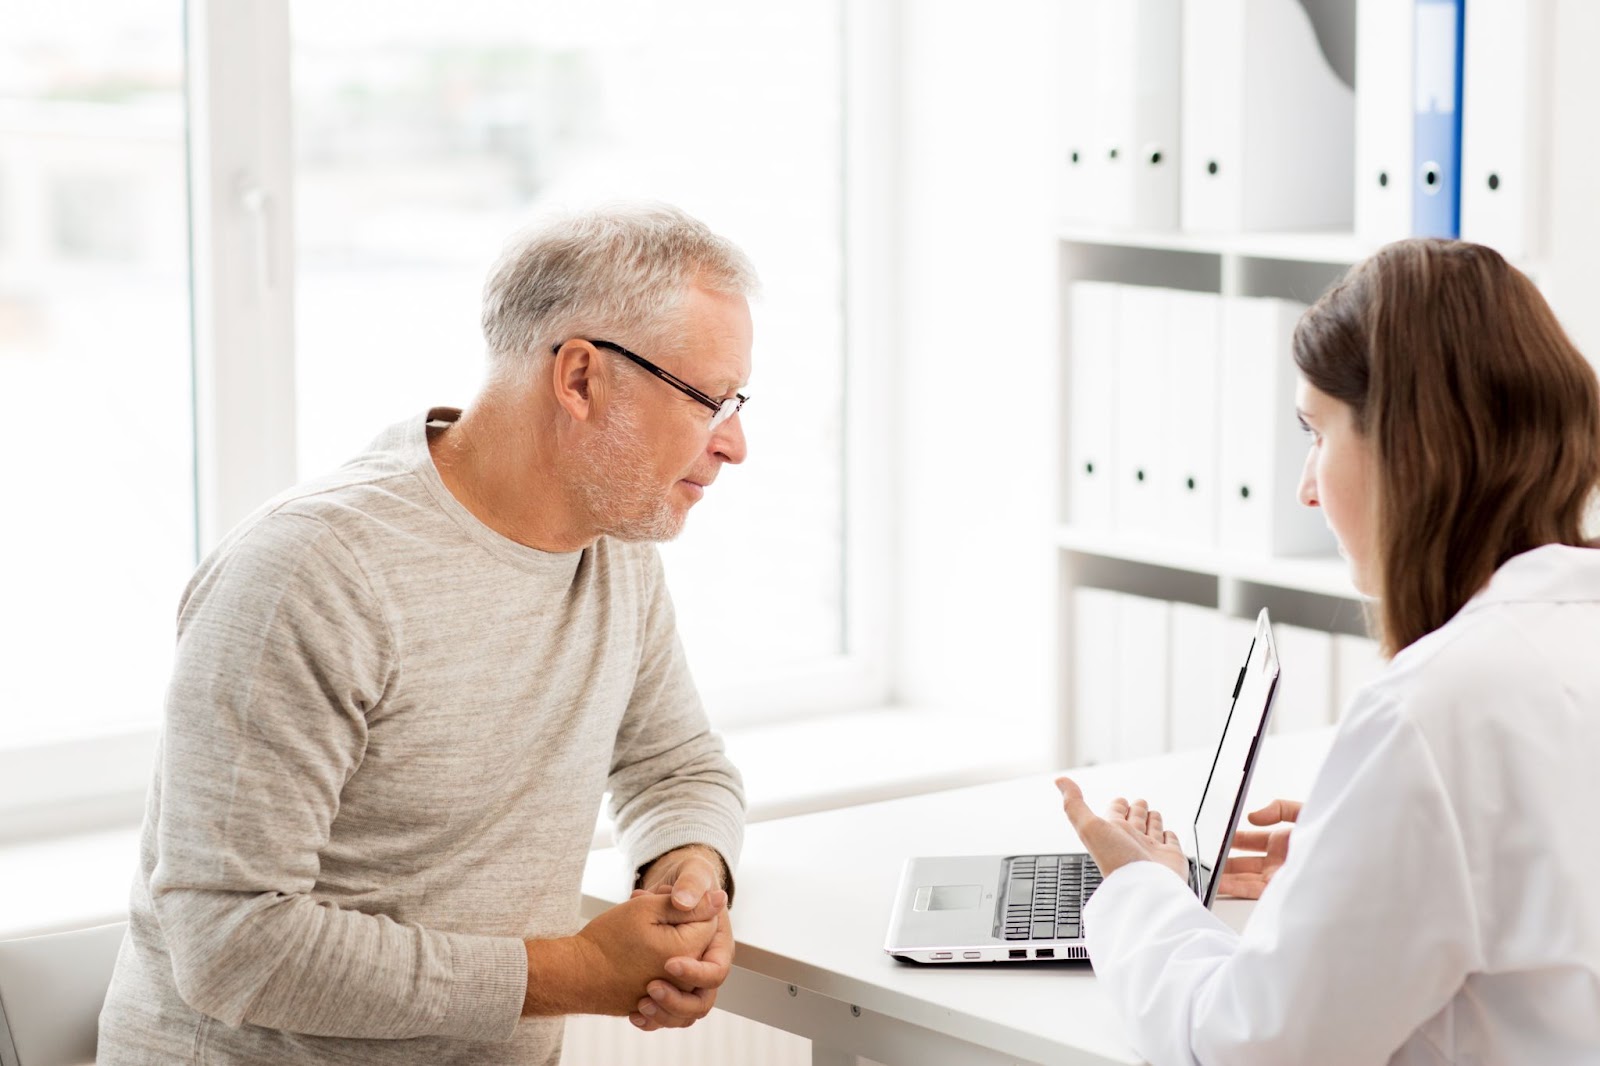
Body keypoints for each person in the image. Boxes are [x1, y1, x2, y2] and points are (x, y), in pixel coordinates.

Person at [98, 203, 757, 1065]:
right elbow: (230, 943)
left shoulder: (614, 547)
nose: (735, 444)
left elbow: (675, 765)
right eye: (708, 400)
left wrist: (687, 874)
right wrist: (576, 972)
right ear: (582, 379)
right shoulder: (312, 573)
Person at [1055, 238, 1600, 1064]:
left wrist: (1144, 890)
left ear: (1412, 449)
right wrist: (1370, 852)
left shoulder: (1435, 709)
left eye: (1317, 433)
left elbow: (1246, 1048)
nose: (1306, 486)